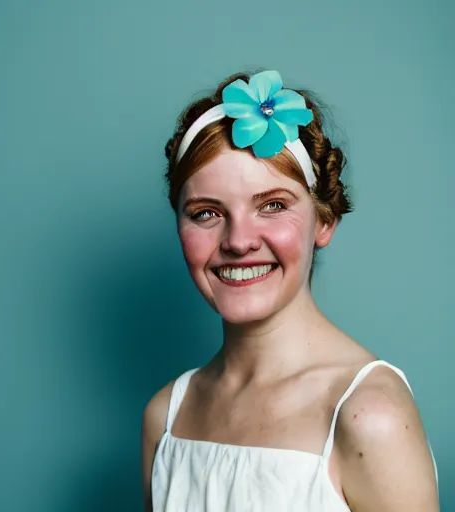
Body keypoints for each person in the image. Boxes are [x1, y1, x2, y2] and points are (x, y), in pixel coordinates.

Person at [141, 70, 439, 511]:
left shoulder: (368, 416)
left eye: (273, 206)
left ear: (324, 220)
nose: (239, 241)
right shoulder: (165, 418)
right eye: (206, 213)